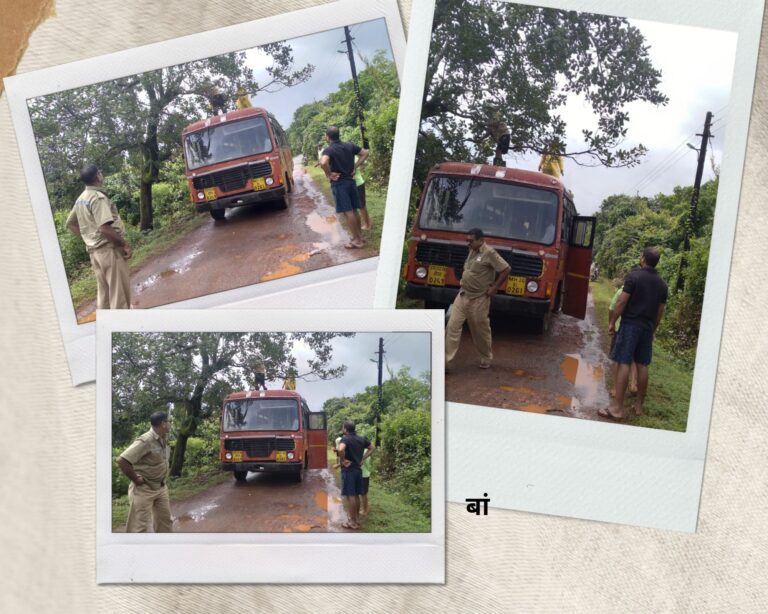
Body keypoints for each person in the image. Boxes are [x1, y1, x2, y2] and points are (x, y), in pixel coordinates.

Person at [600, 247, 668, 420]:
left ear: (643, 259)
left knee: (623, 362)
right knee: (642, 365)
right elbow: (660, 311)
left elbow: (622, 301)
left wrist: (612, 322)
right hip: (647, 327)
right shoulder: (662, 285)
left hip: (630, 325)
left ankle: (617, 408)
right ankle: (638, 406)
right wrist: (653, 329)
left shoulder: (634, 277)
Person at [66, 164, 132, 310]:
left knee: (105, 294)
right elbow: (105, 228)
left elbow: (70, 224)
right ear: (97, 177)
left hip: (95, 253)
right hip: (109, 251)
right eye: (100, 172)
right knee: (118, 294)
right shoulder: (98, 198)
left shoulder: (80, 199)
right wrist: (124, 244)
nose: (101, 174)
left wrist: (89, 238)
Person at [445, 228, 511, 370]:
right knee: (452, 326)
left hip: (479, 298)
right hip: (463, 295)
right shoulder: (472, 251)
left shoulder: (489, 253)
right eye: (467, 240)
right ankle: (446, 361)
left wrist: (495, 287)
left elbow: (506, 269)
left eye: (471, 241)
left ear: (481, 240)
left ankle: (486, 357)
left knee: (479, 330)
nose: (468, 243)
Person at [116, 411, 173, 533]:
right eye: (169, 422)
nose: (170, 424)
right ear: (163, 423)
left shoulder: (163, 437)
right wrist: (136, 479)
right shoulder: (145, 441)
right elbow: (122, 460)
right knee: (138, 528)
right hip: (144, 490)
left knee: (165, 523)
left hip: (161, 487)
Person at [319, 126, 368, 249]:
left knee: (348, 212)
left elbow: (323, 162)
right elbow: (365, 153)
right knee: (355, 209)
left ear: (327, 137)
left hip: (340, 184)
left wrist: (329, 174)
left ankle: (357, 240)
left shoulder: (328, 150)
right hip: (351, 182)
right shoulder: (349, 145)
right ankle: (359, 237)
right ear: (338, 135)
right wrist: (355, 167)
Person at [337, 421, 375, 530]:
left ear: (345, 429)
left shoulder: (346, 438)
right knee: (357, 495)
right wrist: (362, 458)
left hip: (348, 471)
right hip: (358, 470)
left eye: (343, 428)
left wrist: (343, 460)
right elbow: (372, 448)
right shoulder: (361, 438)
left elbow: (340, 449)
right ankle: (357, 519)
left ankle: (352, 522)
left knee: (350, 496)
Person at [608, 278, 638, 397]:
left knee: (619, 359)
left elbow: (612, 308)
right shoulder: (644, 291)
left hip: (621, 327)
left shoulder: (622, 291)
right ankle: (633, 383)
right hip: (637, 329)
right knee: (634, 357)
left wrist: (611, 323)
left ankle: (616, 389)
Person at [353, 154, 372, 231]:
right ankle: (368, 223)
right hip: (357, 183)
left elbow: (361, 163)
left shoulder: (353, 157)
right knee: (362, 206)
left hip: (358, 183)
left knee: (361, 206)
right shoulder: (353, 156)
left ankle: (368, 225)